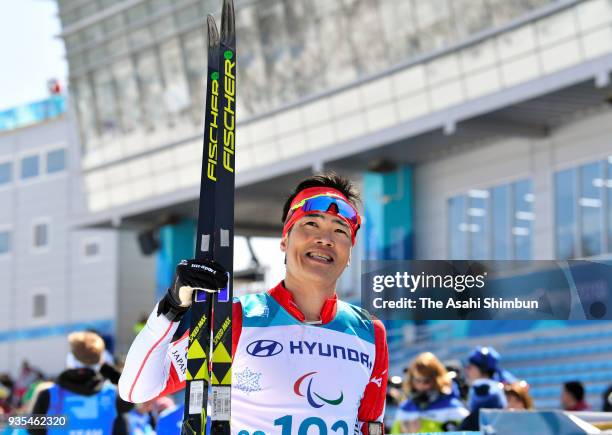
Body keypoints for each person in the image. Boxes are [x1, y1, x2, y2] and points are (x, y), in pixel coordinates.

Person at [119, 172, 389, 434]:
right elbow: (136, 389)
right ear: (284, 240)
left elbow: (369, 427)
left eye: (340, 230)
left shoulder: (369, 332)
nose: (325, 238)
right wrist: (172, 306)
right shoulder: (237, 317)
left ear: (350, 251)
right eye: (311, 224)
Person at [29, 331, 128, 435]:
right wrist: (106, 369)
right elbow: (132, 392)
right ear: (100, 362)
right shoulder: (113, 395)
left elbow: (34, 431)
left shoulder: (48, 395)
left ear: (71, 359)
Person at [392, 352, 468, 433]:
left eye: (426, 381)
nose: (421, 385)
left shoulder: (452, 407)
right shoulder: (405, 408)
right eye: (417, 380)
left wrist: (424, 427)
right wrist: (402, 430)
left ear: (436, 380)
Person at [459, 347, 507, 431]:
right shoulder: (496, 387)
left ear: (482, 370)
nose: (467, 370)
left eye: (470, 367)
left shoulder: (483, 389)